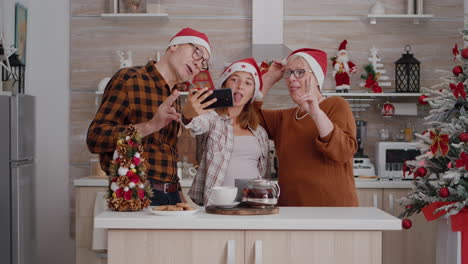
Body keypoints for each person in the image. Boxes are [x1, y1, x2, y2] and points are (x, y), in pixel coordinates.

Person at [86, 27, 211, 206]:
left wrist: (179, 196)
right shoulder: (129, 79)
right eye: (197, 53)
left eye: (204, 63)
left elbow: (166, 153)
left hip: (172, 197)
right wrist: (151, 125)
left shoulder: (174, 94)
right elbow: (95, 138)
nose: (199, 64)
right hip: (136, 194)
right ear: (174, 45)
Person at [256, 48, 358, 206]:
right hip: (291, 212)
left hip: (334, 212)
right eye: (288, 73)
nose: (291, 78)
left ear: (316, 78)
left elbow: (342, 153)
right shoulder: (283, 118)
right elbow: (246, 116)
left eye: (300, 72)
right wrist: (268, 80)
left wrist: (316, 112)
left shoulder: (337, 105)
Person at [181, 58, 270, 205]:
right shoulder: (211, 118)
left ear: (253, 93)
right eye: (234, 79)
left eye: (248, 82)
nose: (240, 86)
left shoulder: (259, 132)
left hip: (252, 202)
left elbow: (264, 172)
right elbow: (195, 124)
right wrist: (188, 113)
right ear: (224, 85)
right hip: (217, 202)